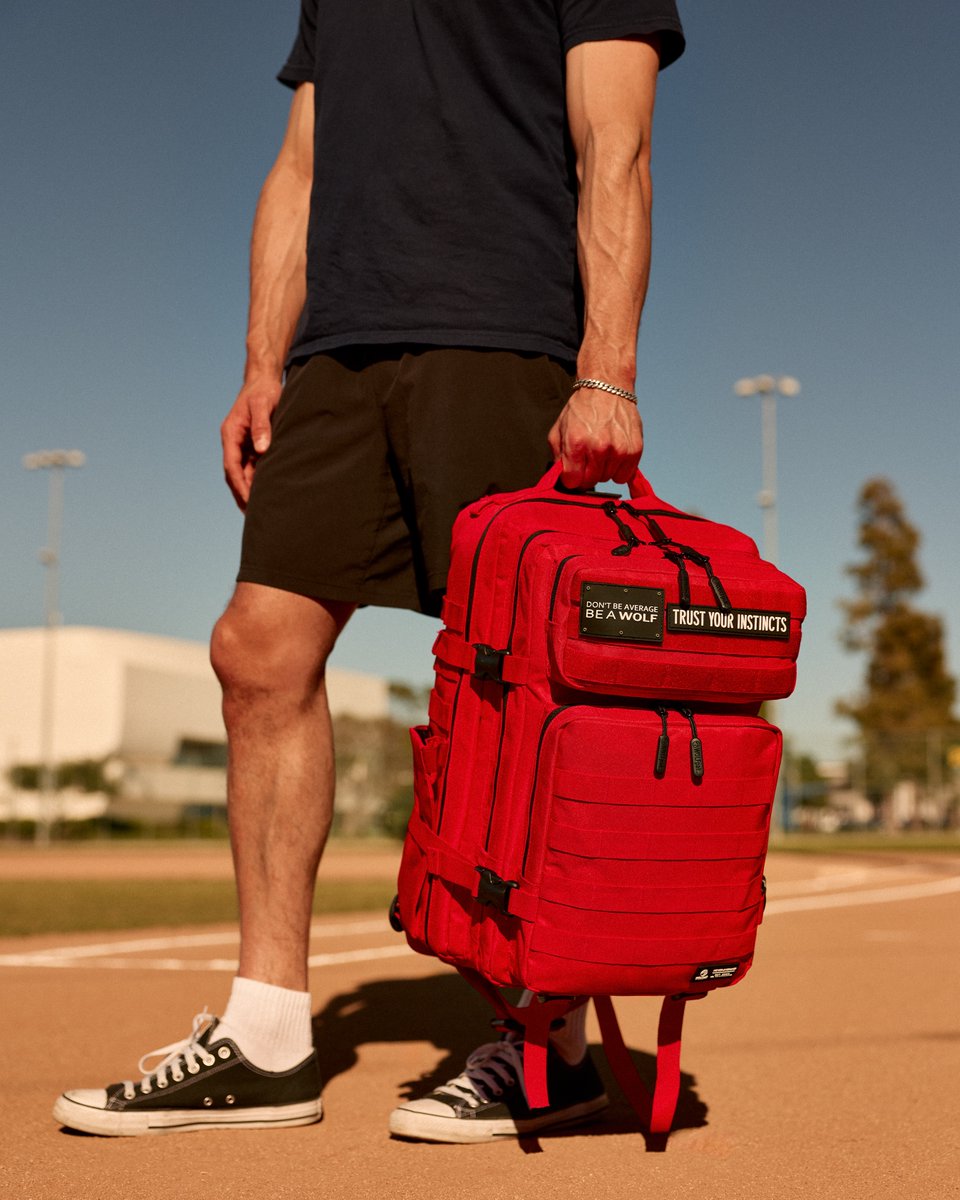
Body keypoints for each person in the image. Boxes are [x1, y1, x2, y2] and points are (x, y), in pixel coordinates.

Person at [54, 0, 684, 1141]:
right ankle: (268, 1037)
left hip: (498, 333)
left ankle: (550, 1045)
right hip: (339, 349)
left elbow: (618, 145)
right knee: (256, 649)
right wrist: (260, 363)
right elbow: (302, 165)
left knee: (520, 689)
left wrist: (609, 369)